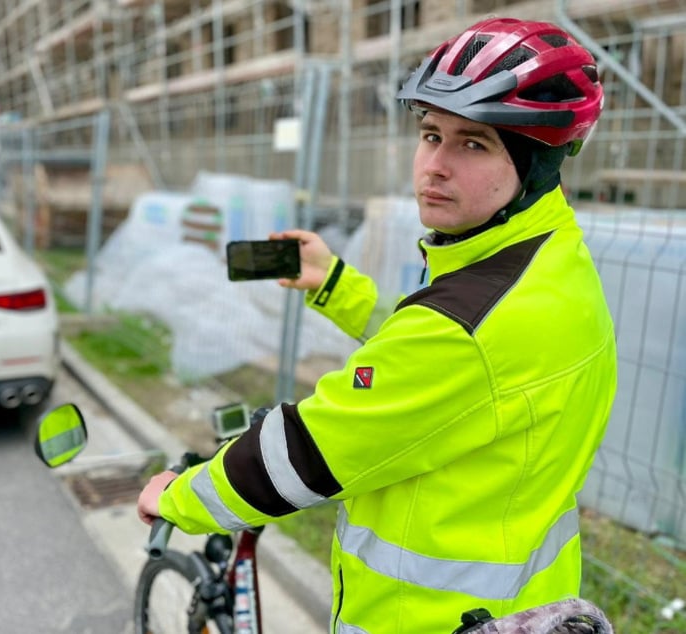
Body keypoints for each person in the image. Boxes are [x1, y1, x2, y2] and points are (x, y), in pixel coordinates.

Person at [138, 16, 618, 634]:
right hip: (523, 604)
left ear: (539, 163)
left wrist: (176, 496)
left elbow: (311, 451)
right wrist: (334, 284)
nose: (434, 166)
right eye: (430, 134)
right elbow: (435, 367)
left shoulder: (466, 323)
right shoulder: (549, 262)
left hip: (421, 618)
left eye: (474, 144)